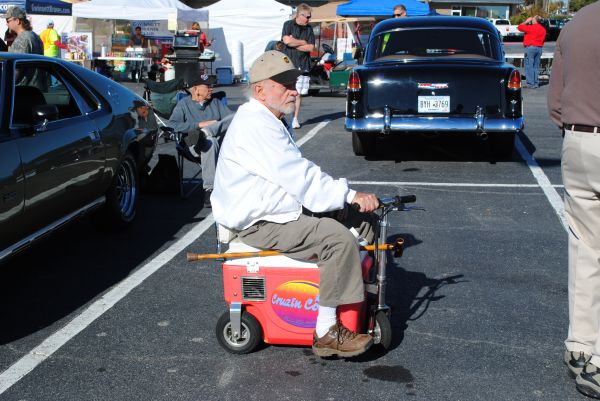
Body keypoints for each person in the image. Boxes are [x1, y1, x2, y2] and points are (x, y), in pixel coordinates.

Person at [211, 50, 379, 358]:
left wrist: (345, 199)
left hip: (277, 211)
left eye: (295, 82)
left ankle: (356, 304)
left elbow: (297, 175)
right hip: (260, 222)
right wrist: (348, 194)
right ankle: (327, 331)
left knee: (362, 221)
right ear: (260, 90)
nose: (294, 90)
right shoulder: (256, 125)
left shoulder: (268, 117)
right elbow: (299, 176)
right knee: (337, 239)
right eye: (284, 84)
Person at [548, 2, 600, 398]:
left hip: (578, 140)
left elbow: (555, 100)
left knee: (585, 248)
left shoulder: (578, 21)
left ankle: (581, 345)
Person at [168, 73, 233, 206]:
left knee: (233, 119)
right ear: (195, 89)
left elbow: (232, 119)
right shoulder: (184, 104)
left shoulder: (215, 102)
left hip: (218, 143)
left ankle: (207, 132)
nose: (211, 89)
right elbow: (172, 125)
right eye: (208, 86)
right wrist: (200, 125)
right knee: (208, 141)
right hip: (193, 144)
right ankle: (210, 188)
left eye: (212, 86)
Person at [282, 3, 315, 129]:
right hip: (289, 63)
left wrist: (294, 42)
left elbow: (311, 47)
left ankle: (295, 119)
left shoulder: (309, 29)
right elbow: (286, 41)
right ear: (299, 15)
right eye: (307, 17)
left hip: (303, 64)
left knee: (299, 93)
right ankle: (282, 116)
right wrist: (302, 42)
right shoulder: (288, 25)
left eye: (310, 17)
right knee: (286, 91)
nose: (308, 19)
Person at [517, 15, 546, 89]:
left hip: (530, 48)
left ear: (535, 20)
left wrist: (526, 21)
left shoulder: (531, 28)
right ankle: (535, 83)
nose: (531, 20)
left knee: (529, 65)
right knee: (536, 66)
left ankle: (531, 83)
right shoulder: (543, 29)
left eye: (532, 19)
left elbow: (519, 27)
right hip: (539, 48)